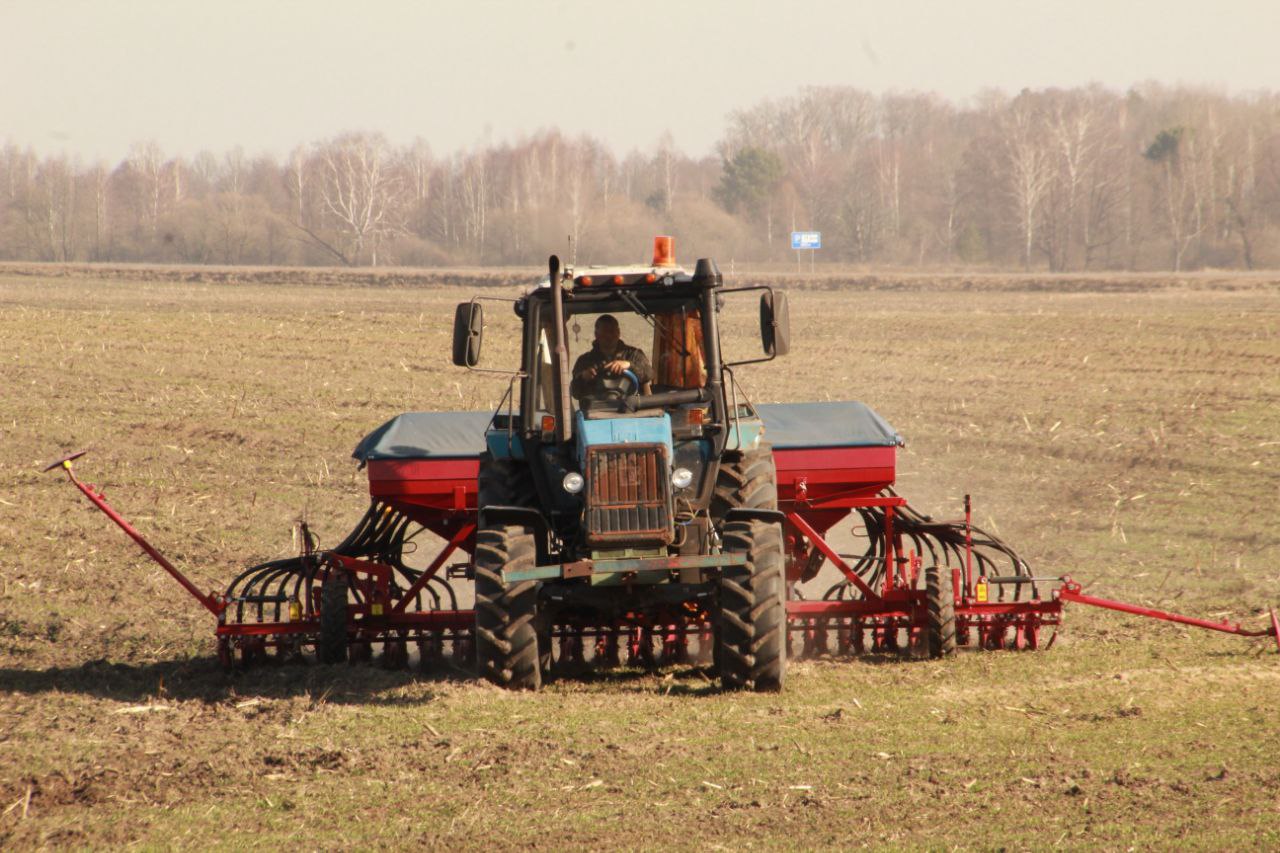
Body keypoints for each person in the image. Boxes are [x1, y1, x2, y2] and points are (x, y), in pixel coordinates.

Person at [570, 314, 653, 404]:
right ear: (596, 334)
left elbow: (649, 374)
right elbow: (575, 393)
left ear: (618, 332)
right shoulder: (585, 361)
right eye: (605, 332)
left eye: (612, 331)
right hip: (596, 412)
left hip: (631, 410)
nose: (609, 336)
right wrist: (583, 377)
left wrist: (629, 365)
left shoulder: (634, 354)